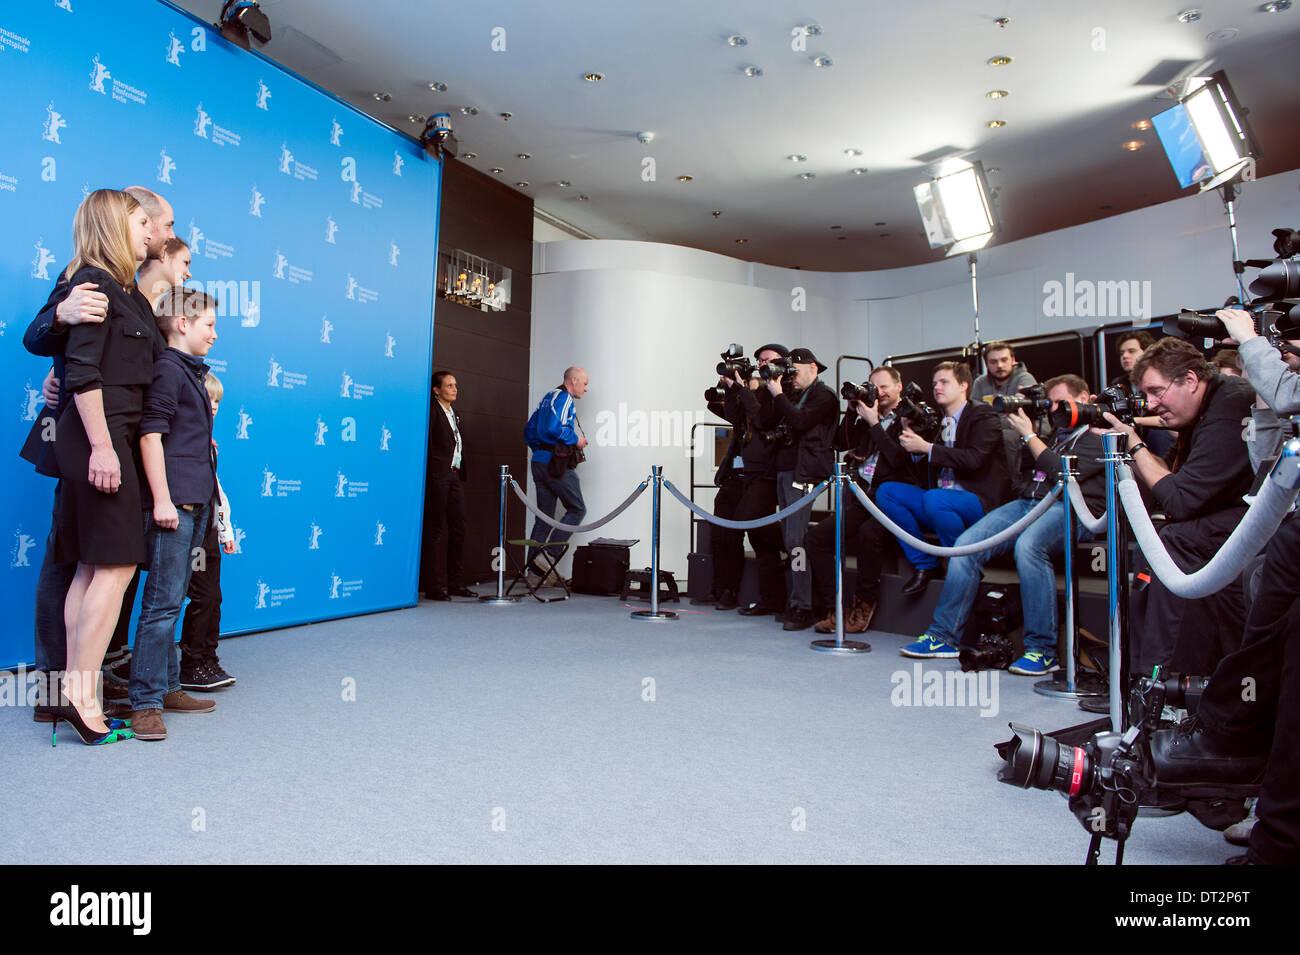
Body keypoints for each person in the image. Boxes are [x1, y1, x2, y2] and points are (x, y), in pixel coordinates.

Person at [23, 186, 176, 692]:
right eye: (165, 225)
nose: (167, 236)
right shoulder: (83, 277)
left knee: (102, 562)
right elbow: (44, 338)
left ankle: (88, 671)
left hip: (120, 433)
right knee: (70, 558)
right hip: (87, 433)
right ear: (136, 223)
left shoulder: (138, 286)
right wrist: (61, 323)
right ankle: (58, 684)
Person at [51, 189, 162, 745]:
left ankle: (82, 694)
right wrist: (102, 448)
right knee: (115, 566)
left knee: (92, 569)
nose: (152, 232)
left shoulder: (128, 290)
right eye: (142, 222)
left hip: (111, 435)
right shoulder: (91, 283)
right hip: (100, 436)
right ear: (116, 224)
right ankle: (79, 693)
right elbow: (82, 373)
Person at [900, 375, 1106, 667]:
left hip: (1073, 509)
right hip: (1029, 503)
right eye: (1052, 404)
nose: (1056, 409)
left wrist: (1029, 436)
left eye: (1063, 403)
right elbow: (1028, 472)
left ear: (1084, 398)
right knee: (966, 545)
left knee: (1029, 547)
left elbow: (1062, 473)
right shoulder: (1053, 434)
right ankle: (943, 635)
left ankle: (1041, 650)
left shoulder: (1098, 435)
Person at [1105, 337, 1256, 676]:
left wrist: (1133, 442)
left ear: (1190, 380)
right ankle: (1142, 675)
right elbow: (1170, 484)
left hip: (1260, 521)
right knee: (1159, 538)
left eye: (1157, 392)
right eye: (1146, 394)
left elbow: (1181, 500)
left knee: (1172, 540)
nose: (1150, 404)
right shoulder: (1203, 411)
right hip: (1229, 517)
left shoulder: (1230, 405)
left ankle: (1164, 681)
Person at [128, 287, 223, 741]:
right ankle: (144, 701)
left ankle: (167, 687)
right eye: (209, 325)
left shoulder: (191, 372)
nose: (215, 335)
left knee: (174, 598)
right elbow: (150, 436)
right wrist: (162, 501)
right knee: (161, 605)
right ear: (183, 324)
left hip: (196, 502)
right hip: (175, 505)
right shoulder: (168, 369)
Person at [875, 360, 1010, 596]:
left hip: (977, 499)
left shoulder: (983, 414)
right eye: (935, 383)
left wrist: (927, 448)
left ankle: (964, 567)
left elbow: (974, 459)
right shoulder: (936, 421)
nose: (937, 387)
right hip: (940, 499)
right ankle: (925, 564)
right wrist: (913, 441)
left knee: (936, 499)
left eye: (944, 382)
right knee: (887, 492)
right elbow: (922, 467)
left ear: (963, 386)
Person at [806, 365, 917, 635]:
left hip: (894, 500)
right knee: (816, 538)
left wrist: (874, 422)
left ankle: (863, 605)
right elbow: (840, 442)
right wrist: (853, 408)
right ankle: (837, 608)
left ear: (899, 386)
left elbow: (898, 461)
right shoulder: (868, 414)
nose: (878, 393)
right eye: (873, 387)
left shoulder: (911, 416)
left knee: (869, 534)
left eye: (884, 387)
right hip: (864, 497)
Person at [763, 347, 838, 631]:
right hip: (785, 471)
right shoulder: (790, 394)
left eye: (795, 371)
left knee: (796, 541)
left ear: (813, 368)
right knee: (790, 540)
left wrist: (778, 394)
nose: (791, 377)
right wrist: (775, 390)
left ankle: (802, 605)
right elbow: (769, 421)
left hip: (805, 473)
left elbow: (801, 421)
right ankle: (799, 599)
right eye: (789, 371)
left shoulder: (824, 396)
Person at [179, 372, 237, 692]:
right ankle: (191, 664)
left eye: (217, 401)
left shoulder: (211, 446)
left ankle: (207, 659)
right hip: (193, 531)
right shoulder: (186, 442)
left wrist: (226, 530)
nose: (213, 406)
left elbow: (217, 493)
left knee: (212, 597)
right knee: (201, 596)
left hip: (210, 532)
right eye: (208, 399)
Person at [731, 345, 790, 617]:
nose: (761, 363)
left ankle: (796, 546)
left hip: (772, 470)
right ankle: (771, 599)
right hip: (752, 469)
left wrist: (747, 390)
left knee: (749, 518)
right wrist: (736, 387)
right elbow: (737, 417)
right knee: (758, 538)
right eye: (759, 360)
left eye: (767, 359)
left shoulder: (783, 390)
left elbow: (763, 421)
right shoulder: (761, 390)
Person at [523, 366, 589, 573]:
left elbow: (529, 431)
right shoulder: (565, 398)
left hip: (539, 462)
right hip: (555, 464)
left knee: (544, 517)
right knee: (578, 509)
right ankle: (548, 557)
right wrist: (576, 439)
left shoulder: (548, 397)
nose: (586, 389)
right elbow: (555, 429)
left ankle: (533, 570)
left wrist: (541, 450)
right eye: (585, 383)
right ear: (574, 381)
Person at [424, 370, 474, 599]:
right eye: (449, 385)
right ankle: (434, 586)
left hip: (454, 475)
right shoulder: (432, 411)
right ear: (436, 389)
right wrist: (435, 472)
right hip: (439, 476)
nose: (455, 389)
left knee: (459, 528)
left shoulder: (454, 413)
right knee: (435, 529)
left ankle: (456, 583)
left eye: (455, 385)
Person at [1111, 329, 1175, 460]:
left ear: (1147, 353)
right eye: (1122, 353)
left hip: (1159, 434)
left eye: (1131, 351)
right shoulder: (1119, 383)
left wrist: (1135, 421)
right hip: (1133, 433)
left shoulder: (1162, 379)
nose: (1125, 356)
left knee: (1157, 434)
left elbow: (1168, 419)